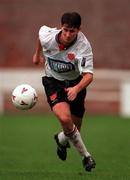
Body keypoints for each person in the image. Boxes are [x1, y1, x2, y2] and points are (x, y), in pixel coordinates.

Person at [33, 12, 96, 172]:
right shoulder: (47, 36)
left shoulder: (84, 46)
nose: (68, 34)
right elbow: (40, 37)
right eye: (65, 30)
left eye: (72, 31)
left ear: (79, 30)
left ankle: (61, 139)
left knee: (73, 130)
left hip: (76, 84)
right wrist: (37, 54)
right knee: (64, 118)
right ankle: (86, 156)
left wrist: (76, 88)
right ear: (61, 27)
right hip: (53, 82)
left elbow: (88, 75)